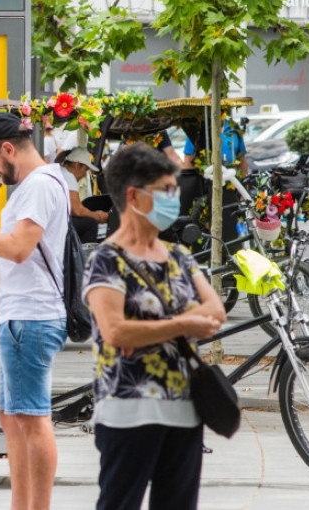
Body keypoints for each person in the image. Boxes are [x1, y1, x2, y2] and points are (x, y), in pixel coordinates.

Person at [84, 143, 225, 510]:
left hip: (184, 406)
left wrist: (149, 329)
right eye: (165, 190)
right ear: (133, 196)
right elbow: (115, 331)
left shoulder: (178, 255)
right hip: (129, 410)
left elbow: (215, 311)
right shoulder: (106, 260)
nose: (173, 198)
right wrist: (184, 322)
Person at [0, 112, 69, 510]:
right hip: (20, 317)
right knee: (12, 417)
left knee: (31, 418)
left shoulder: (39, 186)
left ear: (7, 148)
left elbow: (18, 248)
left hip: (32, 316)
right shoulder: (36, 185)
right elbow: (12, 241)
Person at [59, 146, 109, 244]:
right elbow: (77, 211)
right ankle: (84, 256)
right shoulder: (69, 176)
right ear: (77, 165)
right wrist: (97, 216)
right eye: (85, 170)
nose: (83, 175)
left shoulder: (61, 171)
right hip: (56, 224)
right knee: (90, 223)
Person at [183, 118, 247, 176]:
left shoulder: (233, 127)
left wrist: (244, 182)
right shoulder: (200, 128)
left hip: (231, 178)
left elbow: (241, 158)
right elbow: (188, 161)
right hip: (206, 181)